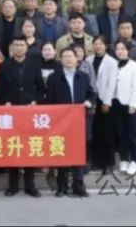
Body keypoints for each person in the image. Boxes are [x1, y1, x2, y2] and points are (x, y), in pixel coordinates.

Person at [46, 48, 95, 198]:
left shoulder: (83, 76)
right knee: (62, 154)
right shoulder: (54, 78)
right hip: (61, 123)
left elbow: (91, 94)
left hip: (79, 122)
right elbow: (49, 101)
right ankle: (61, 187)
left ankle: (78, 186)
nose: (68, 59)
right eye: (65, 56)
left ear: (76, 59)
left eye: (71, 56)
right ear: (60, 60)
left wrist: (89, 101)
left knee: (78, 155)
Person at [107, 40, 136, 175]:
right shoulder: (113, 65)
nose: (120, 51)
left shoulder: (135, 67)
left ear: (128, 51)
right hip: (117, 103)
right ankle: (124, 159)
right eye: (118, 49)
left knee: (132, 133)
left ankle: (135, 160)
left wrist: (134, 104)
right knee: (121, 133)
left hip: (131, 104)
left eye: (123, 49)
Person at [85, 36, 118, 173]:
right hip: (92, 100)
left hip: (105, 100)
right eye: (96, 44)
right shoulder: (88, 60)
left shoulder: (112, 62)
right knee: (94, 132)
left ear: (106, 46)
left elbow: (112, 83)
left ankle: (108, 163)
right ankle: (97, 162)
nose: (98, 46)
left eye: (101, 44)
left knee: (107, 133)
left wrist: (107, 102)